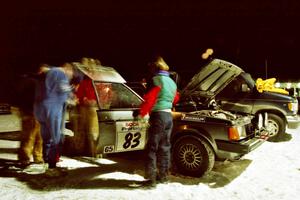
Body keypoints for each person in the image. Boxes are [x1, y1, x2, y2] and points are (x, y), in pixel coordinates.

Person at [139, 56, 180, 187]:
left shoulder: (156, 79)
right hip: (168, 116)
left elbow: (150, 99)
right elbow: (175, 99)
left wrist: (141, 113)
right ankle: (163, 176)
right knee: (165, 147)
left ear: (154, 68)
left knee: (152, 147)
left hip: (158, 116)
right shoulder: (172, 82)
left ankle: (150, 180)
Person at [34, 62, 76, 171]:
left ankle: (46, 159)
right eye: (71, 73)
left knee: (46, 137)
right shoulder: (60, 73)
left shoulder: (45, 75)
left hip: (39, 110)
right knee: (56, 137)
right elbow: (64, 88)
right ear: (67, 69)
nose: (71, 75)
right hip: (52, 110)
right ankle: (52, 164)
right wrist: (72, 95)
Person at [16, 65, 49, 168]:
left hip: (37, 113)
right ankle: (24, 158)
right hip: (31, 112)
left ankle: (37, 157)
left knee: (39, 137)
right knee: (29, 136)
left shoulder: (39, 82)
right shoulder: (32, 82)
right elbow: (26, 98)